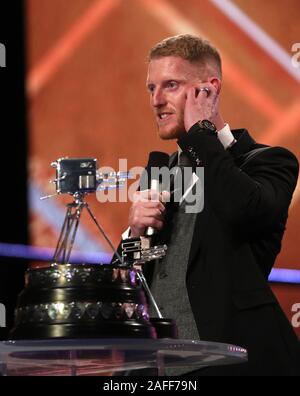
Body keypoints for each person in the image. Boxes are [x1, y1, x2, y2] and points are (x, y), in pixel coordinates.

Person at [121, 34, 300, 375]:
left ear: (209, 89)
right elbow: (127, 281)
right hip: (155, 368)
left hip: (232, 363)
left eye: (170, 85)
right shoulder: (159, 175)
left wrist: (200, 130)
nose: (156, 101)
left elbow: (243, 210)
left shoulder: (269, 162)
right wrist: (134, 230)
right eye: (150, 88)